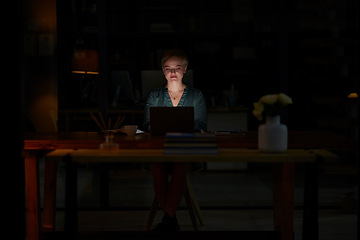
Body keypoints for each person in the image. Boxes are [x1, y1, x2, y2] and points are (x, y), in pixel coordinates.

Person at [143, 49, 207, 231]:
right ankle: (170, 220)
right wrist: (180, 125)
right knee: (157, 165)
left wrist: (167, 126)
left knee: (180, 164)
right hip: (159, 151)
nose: (172, 73)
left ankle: (167, 220)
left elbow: (201, 123)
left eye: (177, 68)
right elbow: (148, 124)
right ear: (162, 70)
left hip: (186, 152)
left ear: (185, 69)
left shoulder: (196, 96)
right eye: (168, 68)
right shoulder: (154, 96)